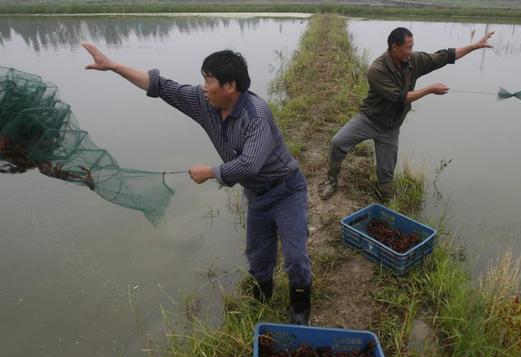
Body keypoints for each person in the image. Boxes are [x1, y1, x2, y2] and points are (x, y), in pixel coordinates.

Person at [82, 43, 312, 325]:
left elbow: (250, 164)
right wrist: (113, 66)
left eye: (208, 80)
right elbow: (161, 86)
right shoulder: (206, 103)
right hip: (257, 195)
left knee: (295, 257)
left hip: (286, 190)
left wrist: (211, 172)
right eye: (203, 79)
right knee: (258, 256)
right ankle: (260, 304)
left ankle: (300, 313)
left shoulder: (256, 115)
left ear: (230, 85)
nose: (203, 86)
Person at [320, 27, 495, 201]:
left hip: (391, 127)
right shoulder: (377, 69)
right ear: (395, 47)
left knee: (386, 173)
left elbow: (445, 56)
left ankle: (385, 198)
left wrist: (475, 46)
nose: (411, 51)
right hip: (368, 120)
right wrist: (430, 89)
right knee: (338, 142)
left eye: (412, 46)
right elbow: (399, 98)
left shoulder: (413, 60)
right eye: (408, 47)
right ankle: (332, 181)